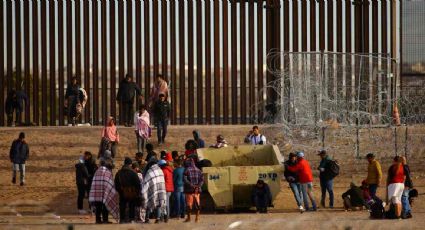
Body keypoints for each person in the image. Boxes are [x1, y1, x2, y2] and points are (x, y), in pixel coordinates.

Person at [89, 157, 119, 224]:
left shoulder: (97, 171)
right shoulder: (107, 172)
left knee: (98, 207)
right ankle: (105, 220)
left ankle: (98, 220)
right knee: (105, 206)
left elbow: (94, 183)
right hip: (106, 193)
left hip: (97, 194)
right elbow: (109, 183)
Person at [115, 157, 141, 223]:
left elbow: (116, 183)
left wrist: (120, 191)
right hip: (132, 192)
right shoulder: (133, 173)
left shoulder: (119, 173)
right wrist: (137, 192)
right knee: (131, 205)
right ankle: (131, 219)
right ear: (130, 164)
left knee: (122, 205)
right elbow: (138, 184)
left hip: (122, 192)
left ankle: (122, 219)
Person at [141, 158, 167, 223]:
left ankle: (147, 218)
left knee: (149, 203)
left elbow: (146, 182)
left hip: (152, 189)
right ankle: (158, 219)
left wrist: (143, 191)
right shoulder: (160, 170)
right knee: (159, 203)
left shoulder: (150, 171)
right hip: (160, 189)